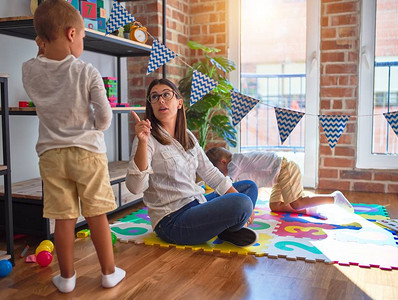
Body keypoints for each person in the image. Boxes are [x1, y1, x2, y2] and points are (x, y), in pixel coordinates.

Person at [22, 0, 125, 293]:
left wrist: (43, 46)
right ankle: (108, 272)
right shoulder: (86, 71)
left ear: (40, 41)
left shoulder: (29, 70)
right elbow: (104, 117)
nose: (82, 41)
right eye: (82, 36)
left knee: (64, 218)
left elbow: (37, 78)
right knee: (96, 214)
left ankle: (66, 278)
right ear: (70, 34)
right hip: (88, 153)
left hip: (51, 155)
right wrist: (94, 125)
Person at [126, 78, 258, 247]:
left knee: (248, 188)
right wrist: (143, 142)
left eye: (166, 94)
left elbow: (210, 172)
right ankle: (227, 227)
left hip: (196, 203)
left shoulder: (187, 135)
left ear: (179, 103)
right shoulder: (146, 139)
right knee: (242, 203)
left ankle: (223, 229)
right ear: (151, 105)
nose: (160, 100)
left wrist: (235, 196)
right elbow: (135, 188)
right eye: (154, 97)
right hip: (173, 220)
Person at [205, 147, 354, 219]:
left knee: (296, 202)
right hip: (277, 177)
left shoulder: (235, 162)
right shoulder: (237, 164)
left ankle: (333, 198)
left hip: (284, 169)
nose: (220, 174)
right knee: (275, 206)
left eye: (218, 171)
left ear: (223, 162)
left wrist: (212, 199)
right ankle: (310, 210)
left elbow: (227, 185)